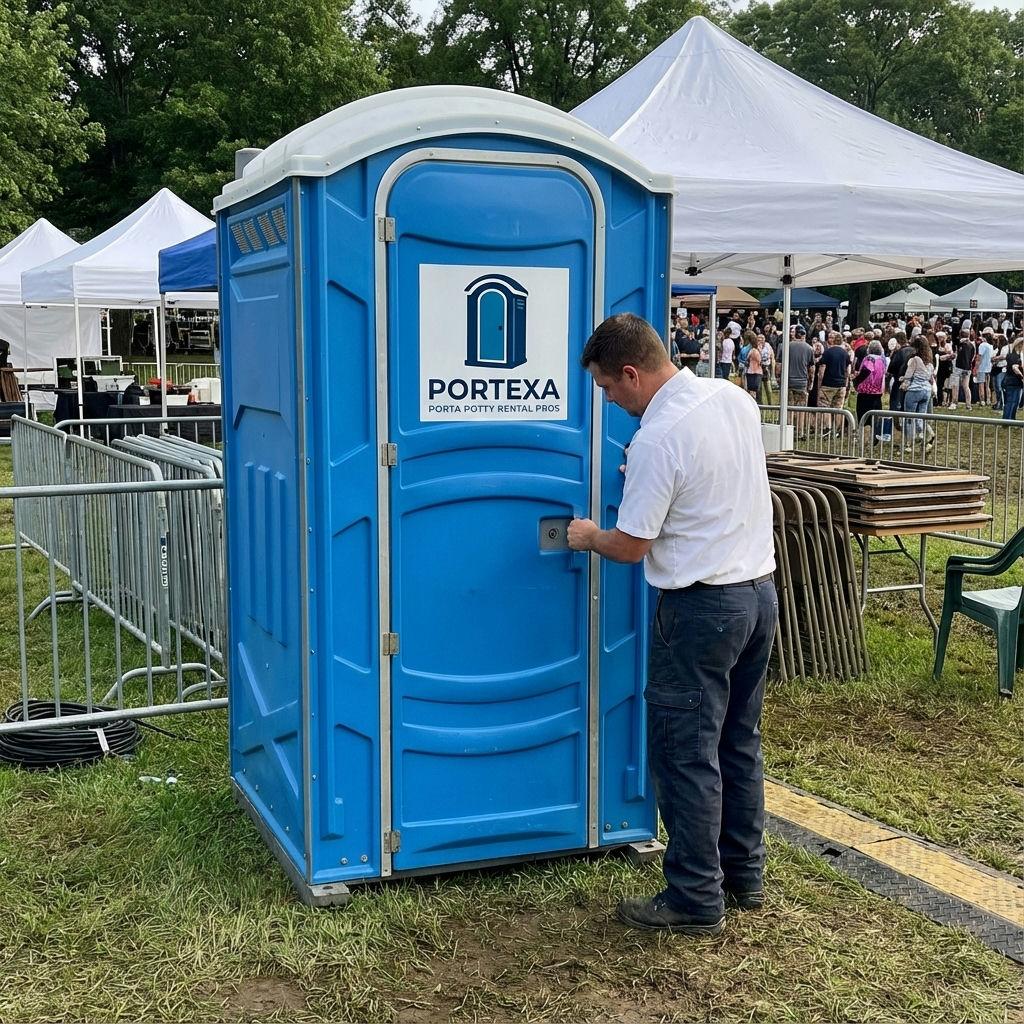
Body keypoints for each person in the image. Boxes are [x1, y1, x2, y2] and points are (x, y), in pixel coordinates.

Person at [566, 312, 777, 935]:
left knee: (686, 752)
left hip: (700, 611)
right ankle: (744, 875)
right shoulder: (733, 398)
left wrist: (588, 536)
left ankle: (693, 896)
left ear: (631, 373)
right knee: (737, 741)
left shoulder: (657, 438)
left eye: (608, 387)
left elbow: (632, 545)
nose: (609, 400)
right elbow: (712, 480)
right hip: (758, 595)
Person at [900, 335, 936, 449]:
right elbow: (930, 378)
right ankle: (922, 433)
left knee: (909, 417)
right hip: (926, 391)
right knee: (921, 415)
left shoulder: (915, 360)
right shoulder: (929, 363)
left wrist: (903, 383)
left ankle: (909, 442)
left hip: (915, 390)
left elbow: (908, 375)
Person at [782, 326, 814, 438]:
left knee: (789, 407)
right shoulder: (809, 348)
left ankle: (788, 432)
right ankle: (800, 432)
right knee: (801, 409)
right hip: (802, 382)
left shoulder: (786, 346)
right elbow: (811, 369)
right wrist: (811, 382)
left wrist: (779, 379)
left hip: (788, 382)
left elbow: (778, 366)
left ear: (794, 334)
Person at [818, 331, 851, 434]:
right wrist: (846, 383)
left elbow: (822, 369)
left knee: (825, 406)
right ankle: (837, 430)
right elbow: (848, 370)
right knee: (838, 408)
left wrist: (820, 383)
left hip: (828, 384)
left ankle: (827, 428)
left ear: (832, 341)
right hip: (841, 384)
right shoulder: (845, 353)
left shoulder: (828, 352)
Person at [853, 340, 887, 438]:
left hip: (866, 391)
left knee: (863, 416)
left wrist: (856, 381)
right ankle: (875, 436)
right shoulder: (882, 359)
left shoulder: (870, 358)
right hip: (878, 391)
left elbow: (867, 370)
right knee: (875, 417)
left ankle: (864, 437)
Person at [951, 331, 975, 411]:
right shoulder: (971, 345)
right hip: (968, 368)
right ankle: (968, 404)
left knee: (955, 385)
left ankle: (954, 402)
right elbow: (972, 357)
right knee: (966, 386)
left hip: (959, 367)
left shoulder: (961, 344)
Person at [1002, 337, 1024, 420]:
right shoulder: (1015, 356)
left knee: (1014, 402)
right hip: (1012, 381)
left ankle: (1010, 419)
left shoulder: (1013, 355)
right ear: (1020, 345)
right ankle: (1007, 420)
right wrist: (1022, 377)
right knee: (1011, 402)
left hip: (1013, 381)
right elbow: (1015, 368)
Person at [977, 330, 994, 408]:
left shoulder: (982, 345)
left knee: (981, 384)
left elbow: (979, 356)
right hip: (988, 367)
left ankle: (982, 400)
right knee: (987, 385)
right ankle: (988, 400)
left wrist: (976, 367)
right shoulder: (991, 346)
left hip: (982, 367)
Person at [745, 333, 763, 399]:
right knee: (755, 389)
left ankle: (752, 400)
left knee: (751, 389)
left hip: (750, 371)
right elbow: (760, 361)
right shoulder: (757, 351)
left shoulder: (750, 350)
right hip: (757, 372)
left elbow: (747, 360)